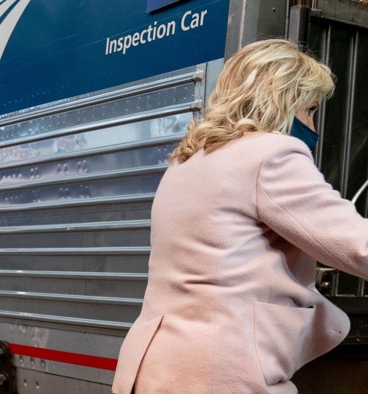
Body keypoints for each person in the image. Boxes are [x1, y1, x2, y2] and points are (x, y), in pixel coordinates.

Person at [111, 39, 368, 393]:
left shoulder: (187, 160)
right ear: (280, 100)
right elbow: (357, 245)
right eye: (309, 109)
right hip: (218, 373)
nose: (312, 125)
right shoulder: (271, 154)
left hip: (157, 366)